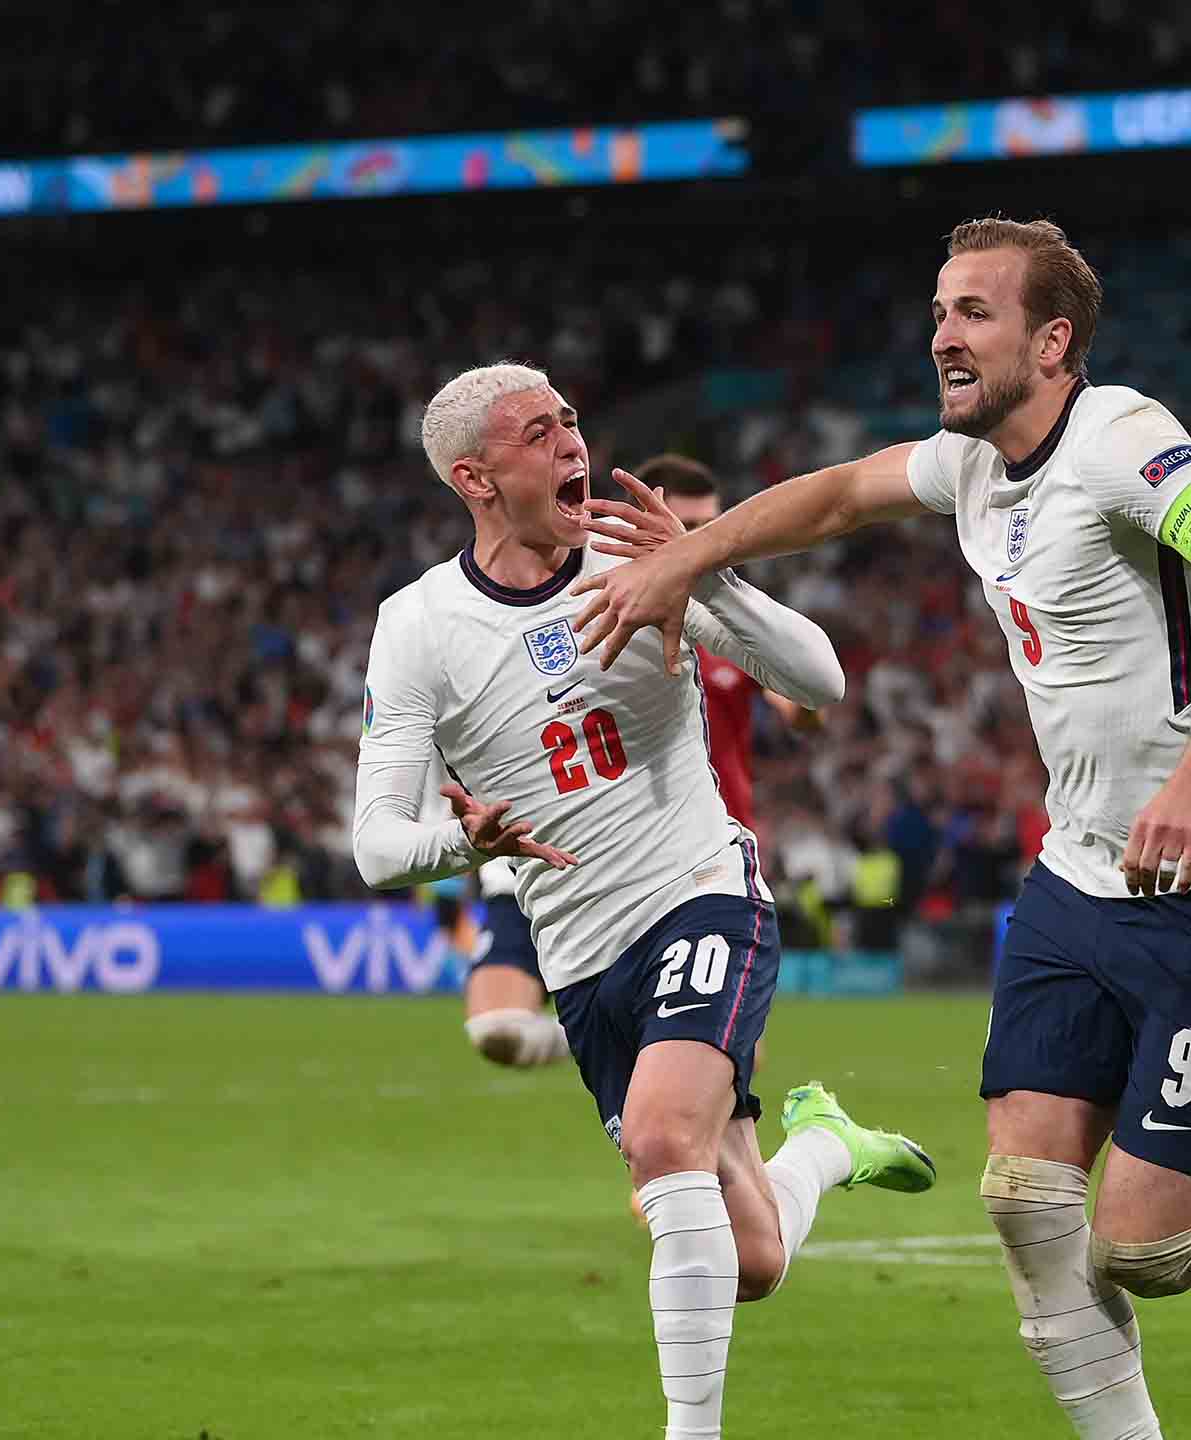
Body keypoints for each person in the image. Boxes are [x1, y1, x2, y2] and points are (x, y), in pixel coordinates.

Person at [571, 218, 1191, 1440]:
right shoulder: (971, 463)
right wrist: (692, 558)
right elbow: (834, 497)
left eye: (973, 311)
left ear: (1053, 342)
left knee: (1147, 1251)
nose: (942, 332)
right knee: (1026, 1204)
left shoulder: (1119, 440)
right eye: (939, 310)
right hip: (1073, 883)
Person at [352, 363, 935, 1440]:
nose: (573, 441)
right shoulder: (418, 627)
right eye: (540, 432)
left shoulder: (635, 558)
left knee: (665, 1142)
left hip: (699, 891)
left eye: (572, 416)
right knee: (750, 1257)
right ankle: (828, 1149)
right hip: (579, 957)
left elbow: (819, 681)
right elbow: (376, 845)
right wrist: (458, 839)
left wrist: (695, 568)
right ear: (476, 477)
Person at [637, 452, 820, 835]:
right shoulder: (609, 620)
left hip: (727, 842)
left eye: (710, 527)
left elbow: (804, 711)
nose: (701, 543)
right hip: (640, 847)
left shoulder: (733, 622)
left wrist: (804, 701)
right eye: (686, 526)